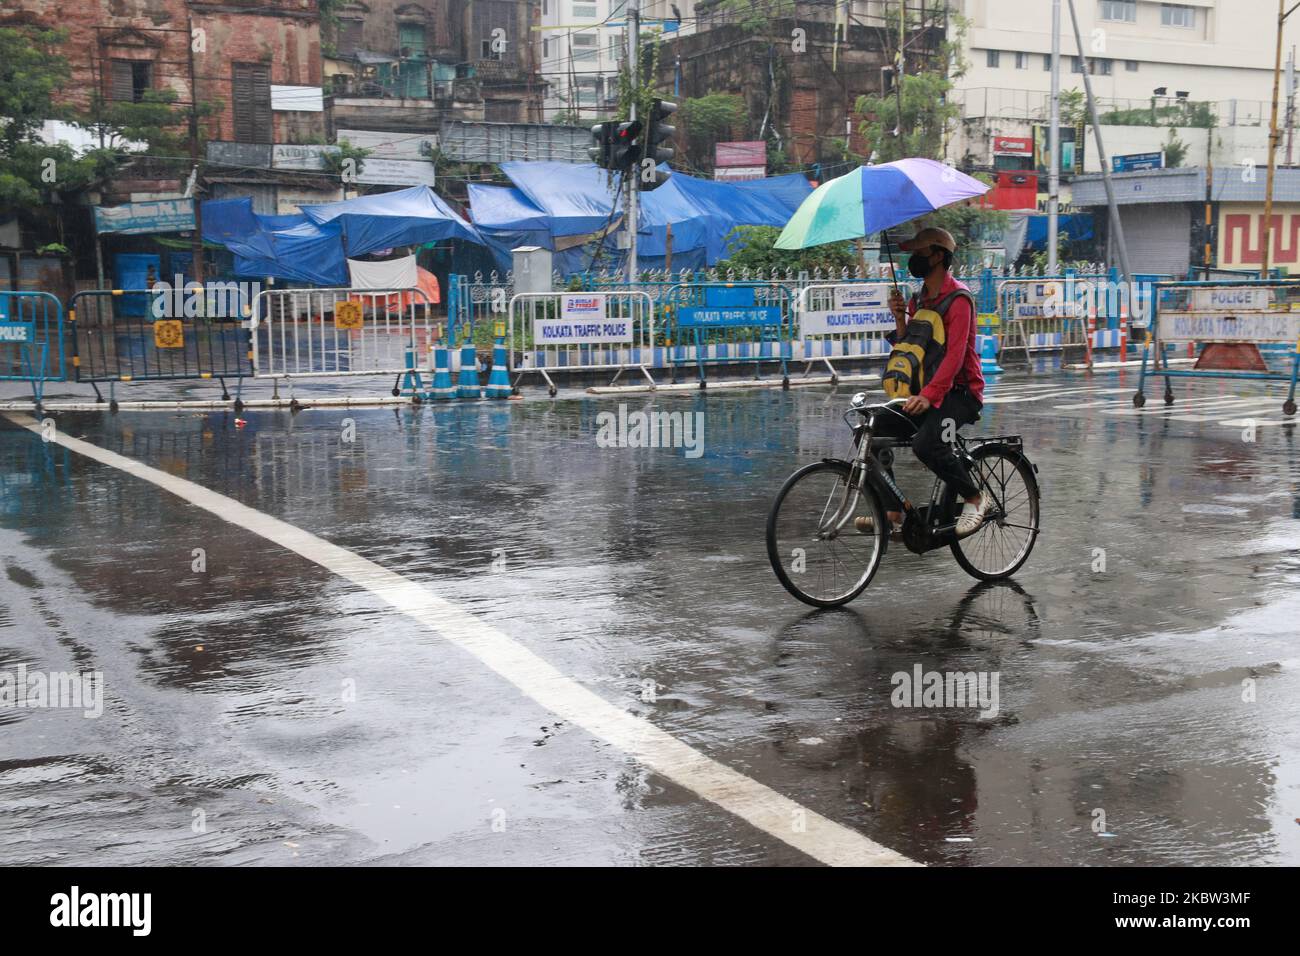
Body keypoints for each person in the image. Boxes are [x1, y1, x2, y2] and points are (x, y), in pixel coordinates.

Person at [859, 226, 991, 538]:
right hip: (927, 393)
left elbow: (955, 356)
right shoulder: (920, 300)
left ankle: (974, 497)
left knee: (927, 443)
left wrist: (930, 396)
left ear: (939, 256)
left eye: (920, 253)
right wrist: (901, 319)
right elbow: (912, 350)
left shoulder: (959, 300)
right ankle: (892, 511)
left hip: (960, 394)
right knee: (871, 431)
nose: (914, 258)